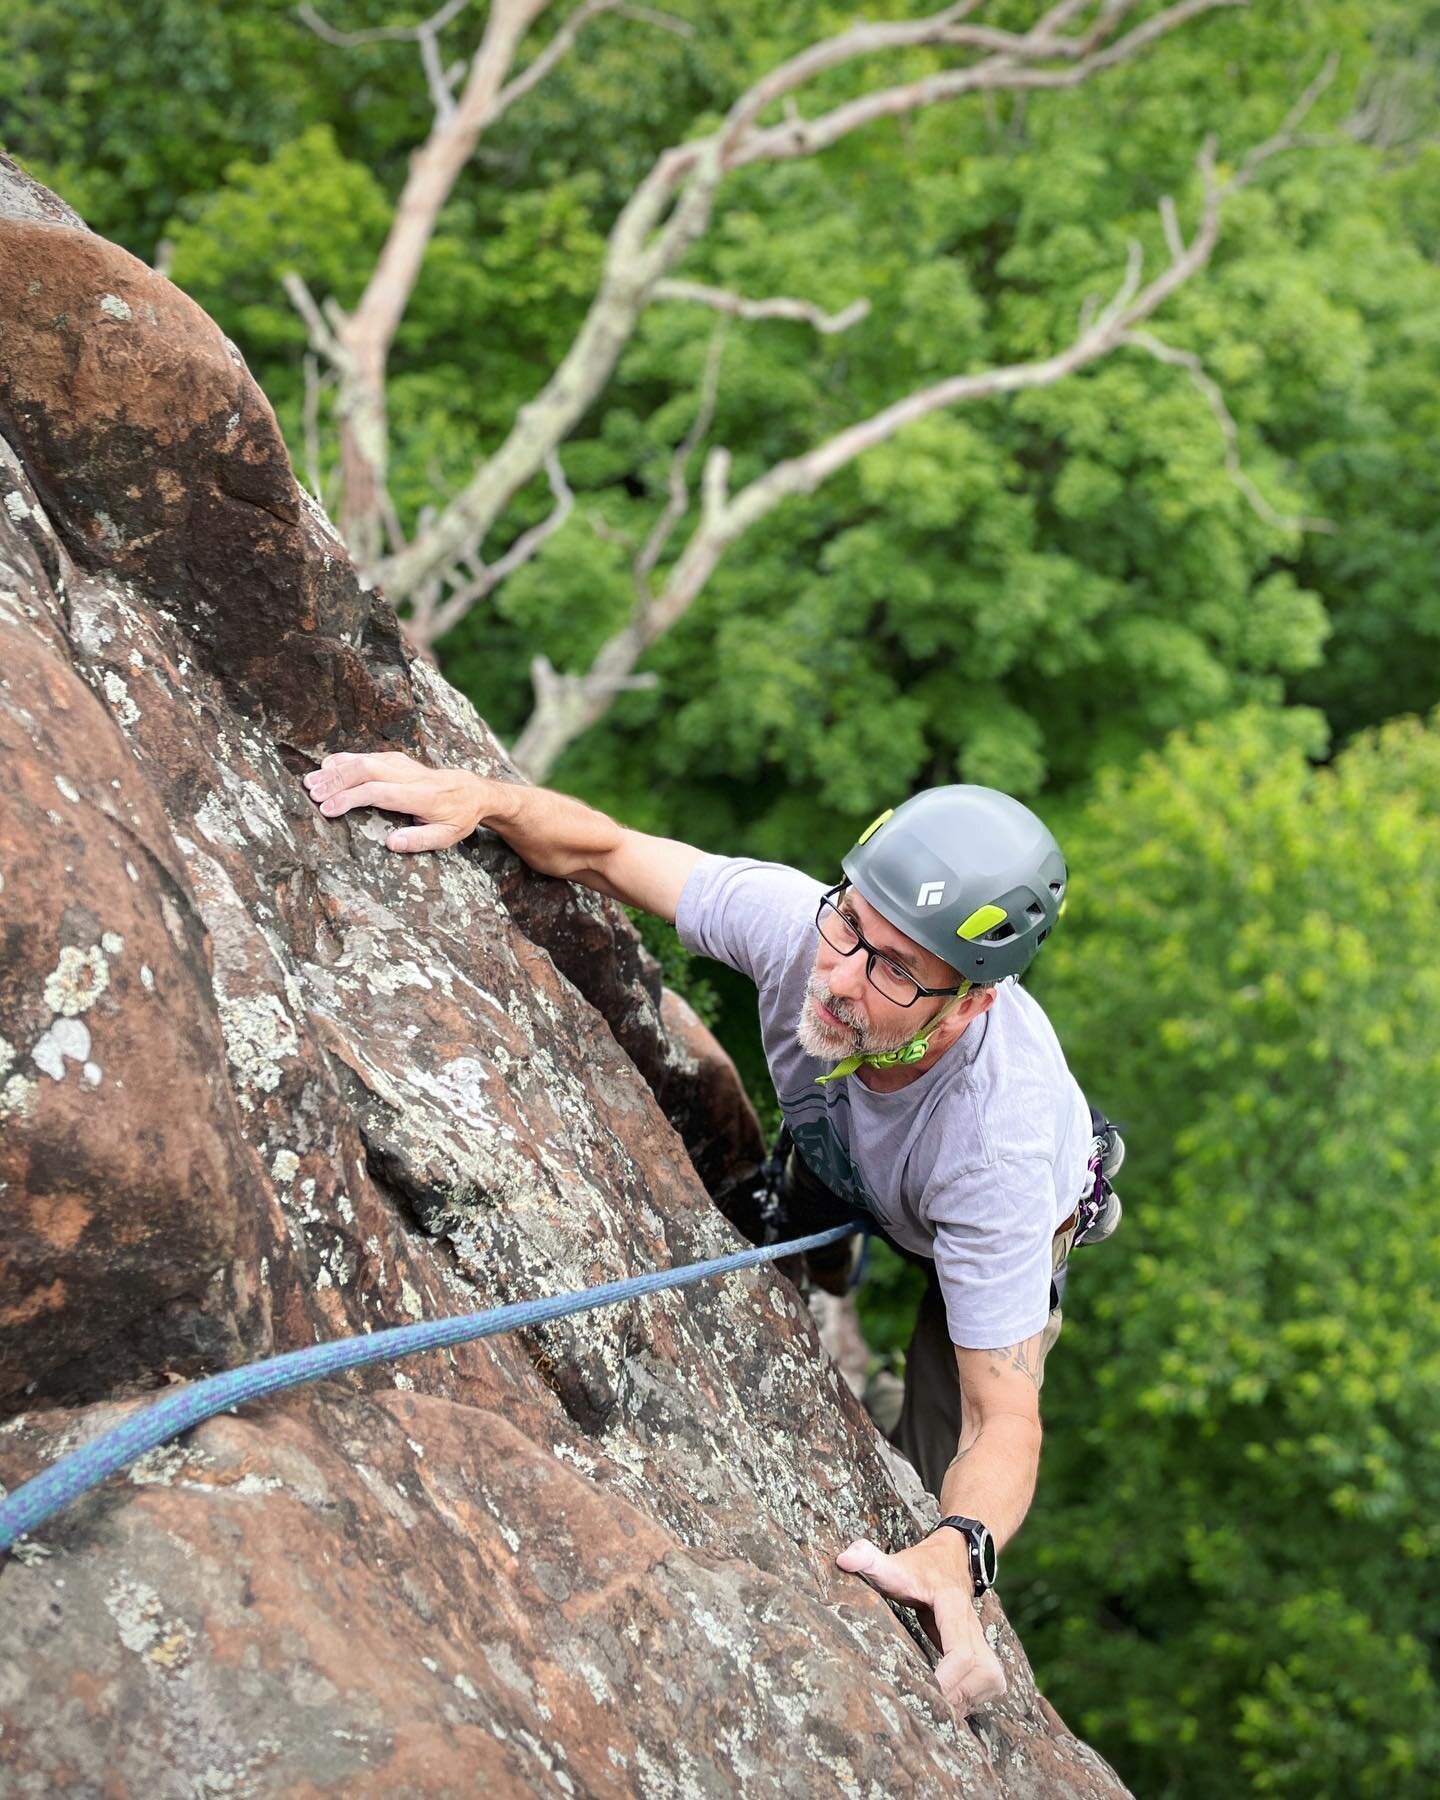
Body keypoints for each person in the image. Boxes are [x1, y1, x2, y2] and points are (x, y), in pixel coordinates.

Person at [301, 751, 1121, 1715]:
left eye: (897, 968)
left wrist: (961, 1549)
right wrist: (486, 799)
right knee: (811, 1199)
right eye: (852, 925)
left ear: (972, 1001)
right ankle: (827, 1257)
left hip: (972, 1231)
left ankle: (916, 1479)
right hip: (843, 1146)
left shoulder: (998, 1154)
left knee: (931, 1472)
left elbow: (1004, 1418)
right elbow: (605, 852)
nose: (843, 979)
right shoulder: (797, 927)